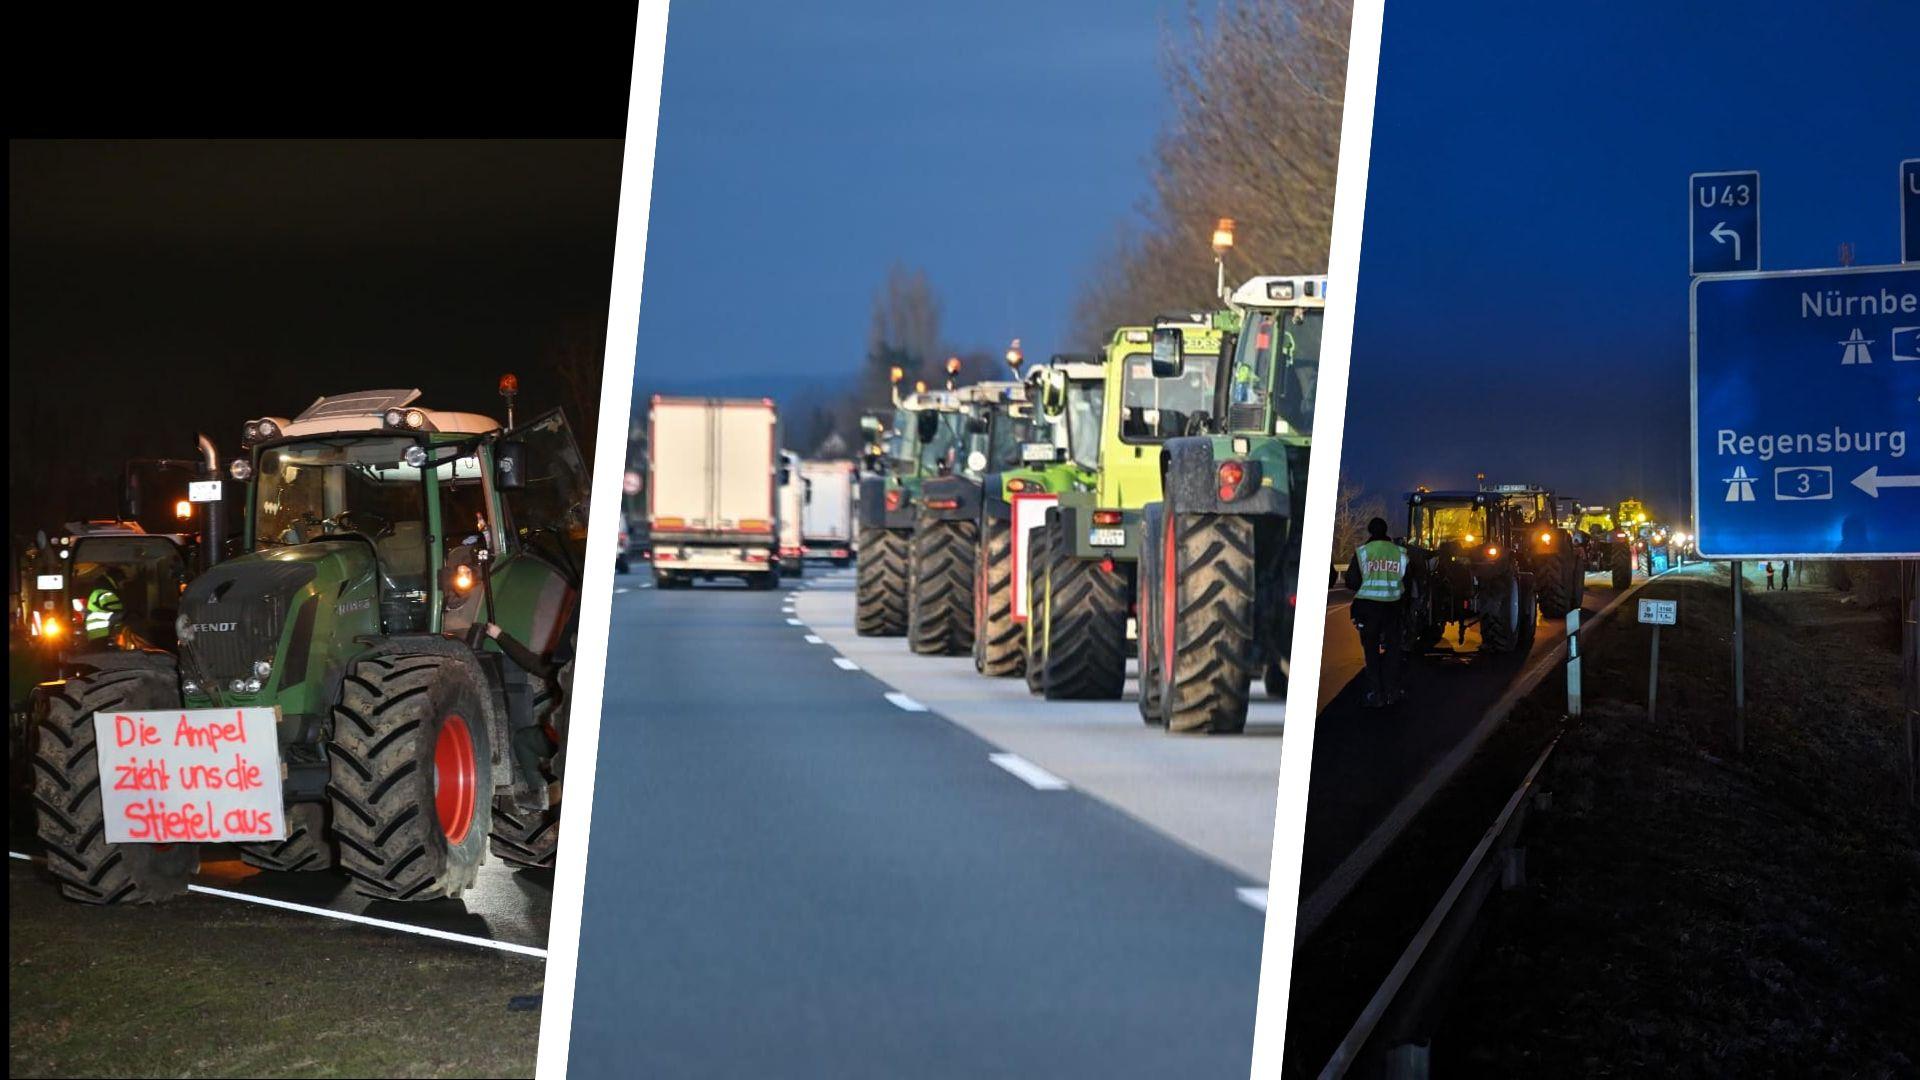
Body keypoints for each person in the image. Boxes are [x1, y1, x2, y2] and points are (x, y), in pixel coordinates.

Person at [1343, 517, 1409, 708]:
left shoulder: (1363, 552)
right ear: (1386, 531)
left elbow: (1351, 581)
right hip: (1392, 608)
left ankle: (1377, 694)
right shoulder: (1399, 553)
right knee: (1393, 651)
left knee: (1371, 651)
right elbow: (1407, 580)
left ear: (1370, 531)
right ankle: (1392, 692)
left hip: (1368, 609)